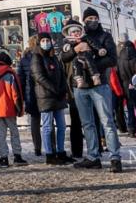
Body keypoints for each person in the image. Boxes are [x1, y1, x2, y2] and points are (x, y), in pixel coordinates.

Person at [60, 9, 122, 173]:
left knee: (107, 122)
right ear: (84, 20)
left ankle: (115, 157)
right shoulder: (76, 35)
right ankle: (93, 156)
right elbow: (64, 57)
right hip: (80, 87)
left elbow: (112, 59)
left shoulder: (105, 37)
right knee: (87, 124)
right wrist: (76, 50)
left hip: (99, 85)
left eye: (95, 18)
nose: (92, 21)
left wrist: (92, 64)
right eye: (89, 18)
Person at [30, 32, 73, 165]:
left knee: (62, 126)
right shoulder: (36, 58)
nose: (46, 43)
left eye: (47, 40)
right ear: (39, 42)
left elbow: (61, 74)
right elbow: (39, 77)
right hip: (46, 97)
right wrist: (55, 90)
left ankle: (60, 151)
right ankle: (49, 154)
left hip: (58, 97)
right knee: (47, 127)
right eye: (43, 40)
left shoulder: (54, 57)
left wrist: (63, 89)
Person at [17, 37, 42, 156]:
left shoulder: (24, 59)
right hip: (43, 92)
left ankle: (37, 147)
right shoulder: (42, 56)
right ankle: (51, 147)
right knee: (48, 120)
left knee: (35, 120)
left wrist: (21, 96)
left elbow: (20, 79)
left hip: (30, 93)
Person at [62, 23, 101, 87]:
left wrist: (98, 49)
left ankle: (95, 77)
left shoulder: (85, 38)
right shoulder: (68, 41)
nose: (76, 33)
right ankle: (79, 80)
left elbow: (92, 44)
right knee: (75, 62)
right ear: (69, 34)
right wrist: (75, 48)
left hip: (87, 55)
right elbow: (64, 57)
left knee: (88, 58)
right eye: (73, 32)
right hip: (77, 58)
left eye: (78, 31)